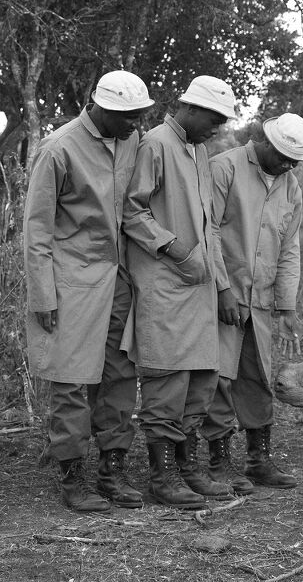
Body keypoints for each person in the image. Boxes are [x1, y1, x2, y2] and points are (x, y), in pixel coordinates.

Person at [24, 70, 155, 513]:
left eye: (139, 117)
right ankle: (72, 475)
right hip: (70, 280)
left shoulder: (133, 141)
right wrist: (43, 295)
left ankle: (112, 471)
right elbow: (37, 228)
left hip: (119, 278)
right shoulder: (58, 147)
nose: (134, 124)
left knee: (120, 373)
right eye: (126, 117)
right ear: (96, 105)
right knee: (70, 379)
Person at [121, 75, 237, 509]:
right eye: (214, 117)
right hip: (166, 284)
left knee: (202, 379)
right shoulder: (156, 143)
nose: (218, 127)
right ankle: (162, 476)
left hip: (201, 287)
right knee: (167, 381)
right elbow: (131, 211)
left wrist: (222, 285)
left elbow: (210, 227)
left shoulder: (199, 149)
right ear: (188, 108)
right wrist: (172, 247)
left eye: (223, 120)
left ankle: (189, 469)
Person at [201, 112, 303, 495]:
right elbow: (208, 231)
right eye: (282, 156)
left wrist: (287, 307)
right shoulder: (224, 168)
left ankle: (258, 460)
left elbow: (289, 248)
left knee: (259, 377)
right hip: (223, 297)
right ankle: (219, 461)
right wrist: (221, 288)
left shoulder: (291, 187)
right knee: (218, 377)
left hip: (262, 299)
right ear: (263, 141)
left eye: (294, 161)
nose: (287, 165)